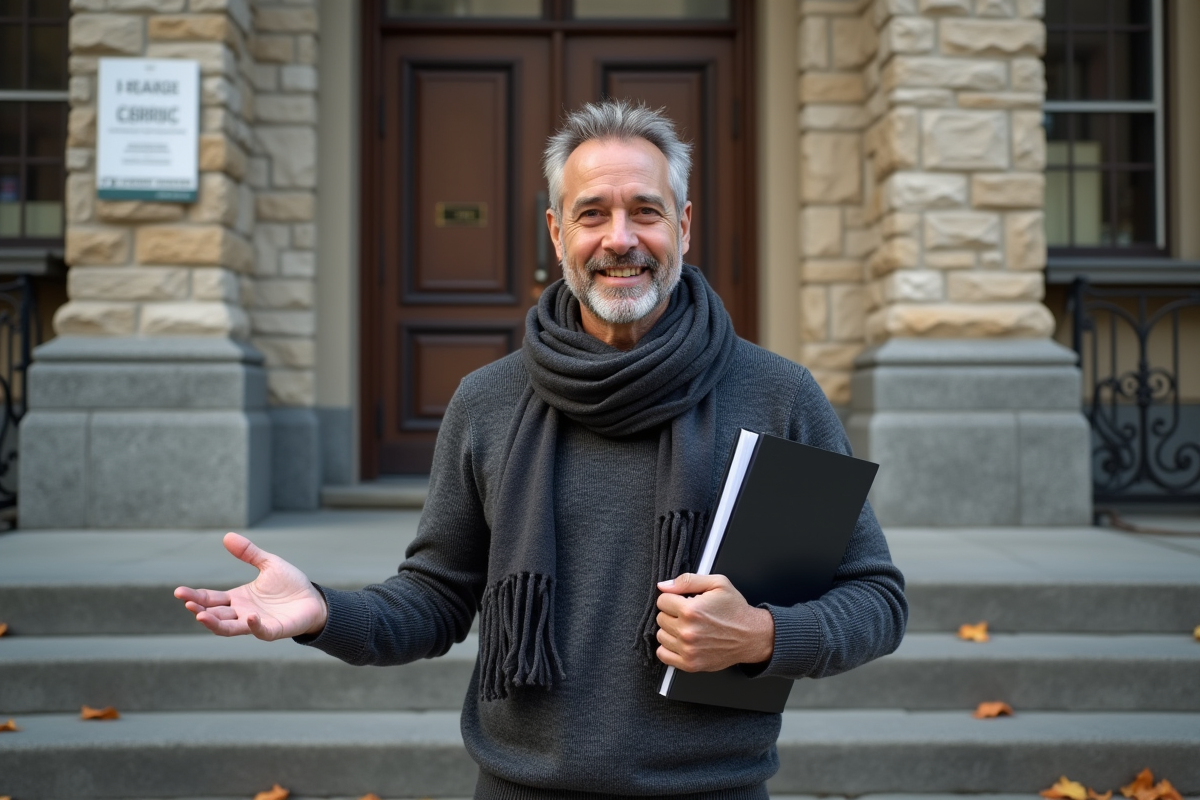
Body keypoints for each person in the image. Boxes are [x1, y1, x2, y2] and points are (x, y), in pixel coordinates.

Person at [175, 100, 907, 800]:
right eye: (593, 213)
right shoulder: (488, 401)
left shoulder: (778, 396)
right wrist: (323, 612)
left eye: (645, 211)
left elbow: (875, 598)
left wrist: (762, 634)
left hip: (713, 792)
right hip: (519, 791)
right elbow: (436, 600)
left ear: (683, 225)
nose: (620, 238)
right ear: (557, 234)